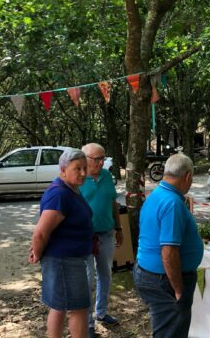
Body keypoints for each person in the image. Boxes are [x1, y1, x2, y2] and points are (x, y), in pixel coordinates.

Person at [134, 153, 203, 337]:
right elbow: (169, 252)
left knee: (165, 328)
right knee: (171, 332)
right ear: (187, 176)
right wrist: (179, 290)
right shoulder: (171, 203)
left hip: (149, 273)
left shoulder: (156, 194)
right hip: (165, 280)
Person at [28, 148, 93, 338]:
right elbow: (41, 232)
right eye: (77, 169)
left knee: (59, 306)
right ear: (63, 170)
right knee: (79, 308)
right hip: (64, 260)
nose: (83, 173)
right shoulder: (60, 194)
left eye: (84, 168)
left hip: (67, 258)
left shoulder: (71, 189)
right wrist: (37, 252)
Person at [80, 143, 123, 335]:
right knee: (88, 280)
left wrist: (119, 227)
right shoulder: (78, 178)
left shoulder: (106, 176)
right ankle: (87, 324)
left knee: (105, 274)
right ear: (86, 159)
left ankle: (102, 312)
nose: (100, 162)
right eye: (97, 159)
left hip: (106, 233)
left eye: (102, 158)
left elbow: (113, 201)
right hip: (85, 237)